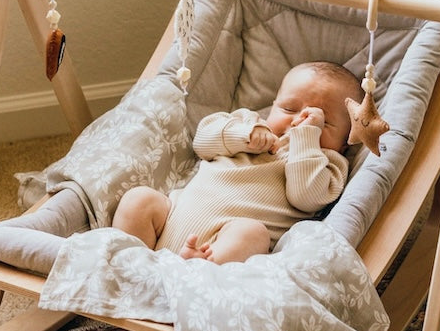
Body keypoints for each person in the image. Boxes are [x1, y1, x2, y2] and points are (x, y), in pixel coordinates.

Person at [112, 61, 362, 264]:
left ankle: (197, 273)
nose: (299, 121)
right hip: (169, 222)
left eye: (324, 122)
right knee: (140, 199)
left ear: (344, 142)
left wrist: (307, 138)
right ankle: (128, 267)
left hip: (224, 245)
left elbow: (306, 196)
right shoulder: (248, 123)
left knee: (252, 233)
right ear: (273, 106)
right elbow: (202, 142)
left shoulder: (329, 163)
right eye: (288, 109)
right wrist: (244, 135)